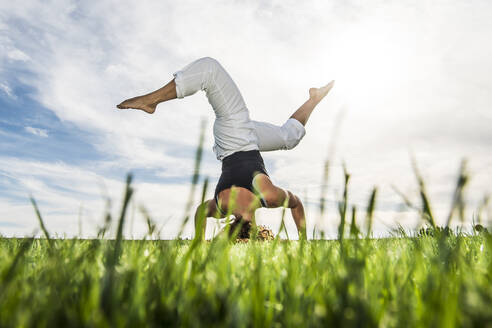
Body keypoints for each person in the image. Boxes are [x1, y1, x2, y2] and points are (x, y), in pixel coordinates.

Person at [117, 57, 334, 240]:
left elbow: (296, 205)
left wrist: (305, 241)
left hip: (234, 135)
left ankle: (151, 101)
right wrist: (199, 243)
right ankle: (314, 99)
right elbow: (201, 213)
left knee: (210, 70)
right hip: (245, 139)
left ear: (255, 229)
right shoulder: (221, 208)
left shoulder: (268, 197)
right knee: (289, 138)